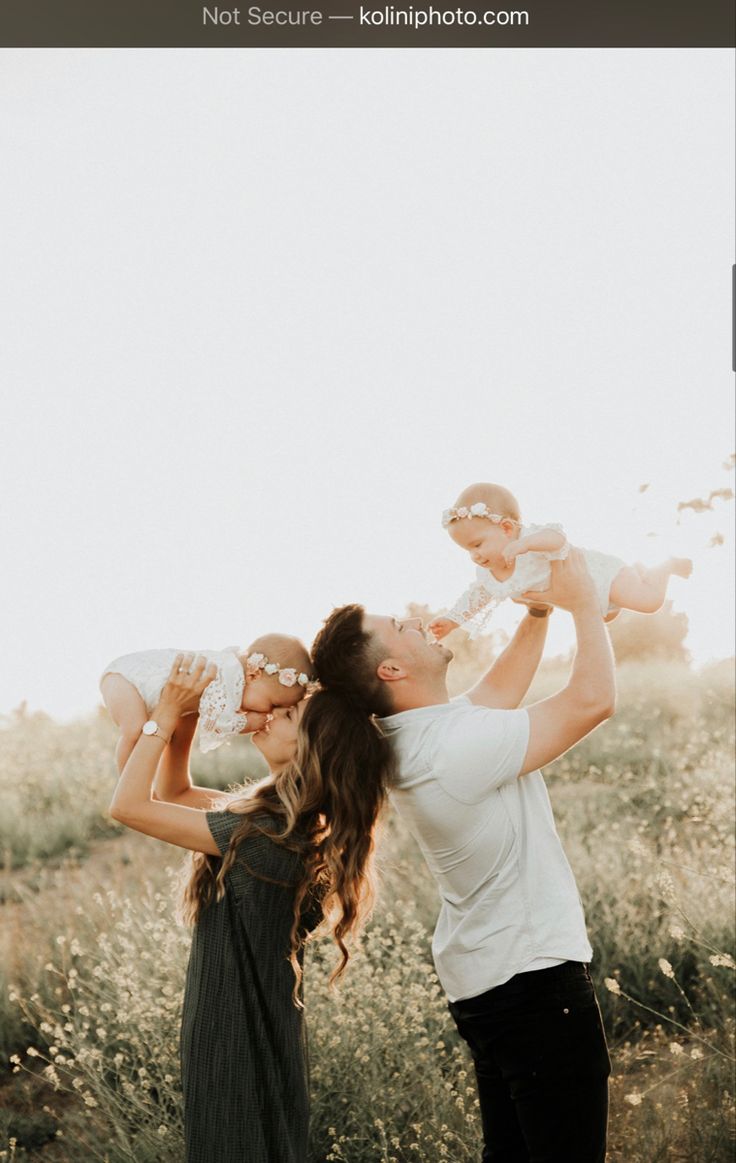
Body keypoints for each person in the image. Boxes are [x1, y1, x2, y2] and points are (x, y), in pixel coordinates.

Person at [311, 551, 616, 1163]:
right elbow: (591, 703)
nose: (420, 620)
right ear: (393, 667)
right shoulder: (450, 749)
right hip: (532, 979)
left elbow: (498, 691)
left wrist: (535, 609)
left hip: (492, 981)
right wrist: (584, 605)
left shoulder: (416, 735)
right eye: (401, 625)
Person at [109, 652, 392, 1163]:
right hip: (237, 1018)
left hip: (237, 1031)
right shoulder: (273, 817)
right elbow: (173, 791)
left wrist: (166, 714)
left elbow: (128, 806)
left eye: (290, 716)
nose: (272, 714)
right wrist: (191, 714)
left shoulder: (269, 833)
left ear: (312, 751)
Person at [430, 481, 692, 639]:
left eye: (478, 544)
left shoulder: (529, 540)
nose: (474, 555)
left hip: (602, 576)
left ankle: (664, 567)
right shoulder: (488, 575)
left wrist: (525, 544)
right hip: (586, 598)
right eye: (467, 550)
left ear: (507, 529)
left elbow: (557, 539)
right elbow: (475, 598)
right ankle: (639, 573)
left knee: (649, 602)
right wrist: (452, 621)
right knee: (605, 618)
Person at [101, 632, 313, 770]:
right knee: (134, 730)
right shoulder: (227, 677)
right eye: (274, 704)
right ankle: (126, 780)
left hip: (130, 681)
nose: (270, 712)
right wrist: (246, 723)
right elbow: (216, 722)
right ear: (254, 674)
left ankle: (134, 781)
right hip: (127, 679)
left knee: (145, 732)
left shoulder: (233, 676)